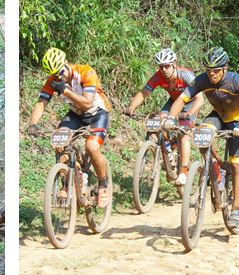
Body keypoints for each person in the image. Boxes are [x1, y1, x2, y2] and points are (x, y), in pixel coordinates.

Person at [166, 46, 239, 229]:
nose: (212, 74)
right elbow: (181, 100)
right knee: (202, 135)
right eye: (208, 70)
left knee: (236, 164)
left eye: (216, 70)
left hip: (238, 120)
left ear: (224, 69)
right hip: (218, 115)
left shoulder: (236, 81)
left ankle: (235, 209)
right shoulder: (201, 80)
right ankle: (218, 173)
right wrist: (171, 117)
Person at [25, 47, 112, 208]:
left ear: (66, 64)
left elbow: (87, 102)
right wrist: (33, 123)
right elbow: (41, 103)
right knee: (59, 143)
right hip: (76, 114)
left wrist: (65, 90)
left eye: (60, 72)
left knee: (92, 148)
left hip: (97, 114)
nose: (59, 77)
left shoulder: (86, 72)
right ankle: (68, 182)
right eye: (54, 75)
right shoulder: (54, 81)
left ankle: (103, 185)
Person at [124, 47, 205, 186]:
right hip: (172, 102)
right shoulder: (158, 76)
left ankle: (183, 173)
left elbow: (200, 99)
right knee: (159, 122)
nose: (164, 70)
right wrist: (131, 107)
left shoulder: (186, 76)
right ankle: (170, 148)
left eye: (167, 66)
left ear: (174, 64)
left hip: (189, 105)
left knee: (183, 134)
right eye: (161, 67)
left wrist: (189, 114)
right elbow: (143, 94)